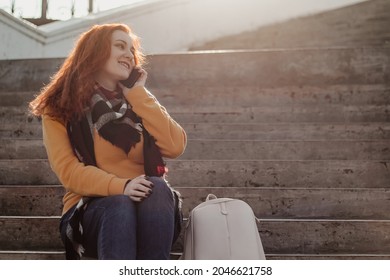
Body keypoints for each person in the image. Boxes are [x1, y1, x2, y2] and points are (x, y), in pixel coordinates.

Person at [29, 23, 187, 260]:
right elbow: (69, 172)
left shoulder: (138, 102)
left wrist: (138, 94)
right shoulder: (59, 109)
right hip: (91, 210)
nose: (129, 55)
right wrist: (122, 187)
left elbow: (175, 145)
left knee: (159, 189)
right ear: (95, 51)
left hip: (149, 208)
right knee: (119, 205)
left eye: (131, 50)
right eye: (120, 46)